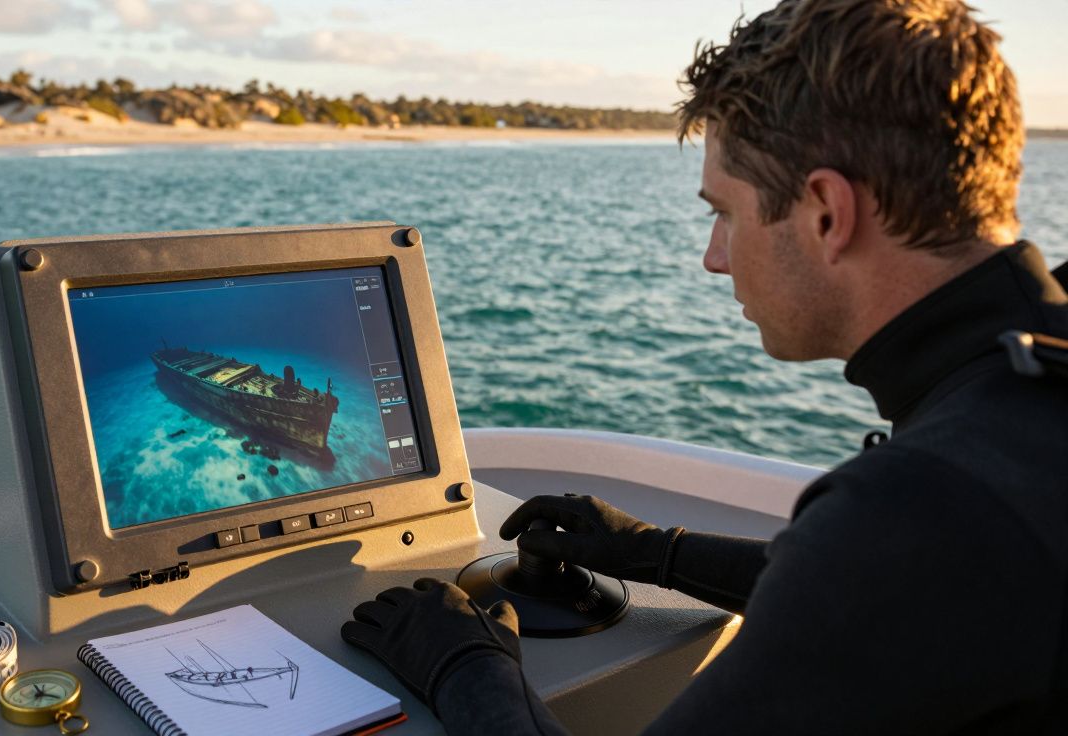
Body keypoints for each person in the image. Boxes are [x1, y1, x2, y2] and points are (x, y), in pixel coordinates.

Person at [340, 0, 1068, 733]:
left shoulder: (926, 505)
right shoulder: (1020, 426)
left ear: (826, 212)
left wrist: (462, 663)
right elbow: (917, 588)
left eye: (725, 213)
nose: (713, 258)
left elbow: (897, 562)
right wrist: (656, 553)